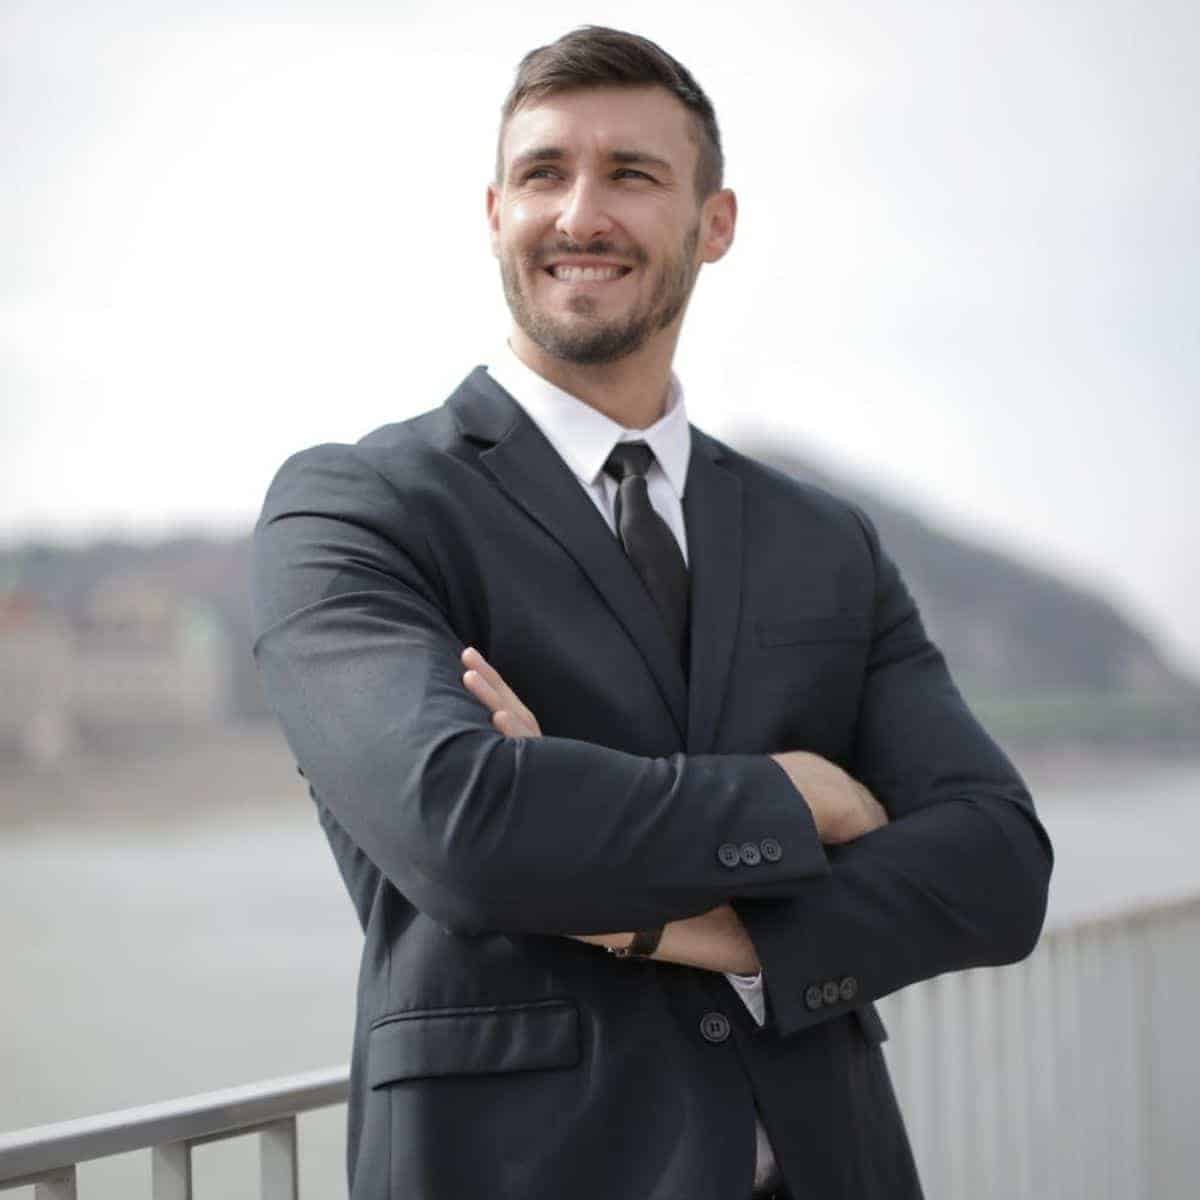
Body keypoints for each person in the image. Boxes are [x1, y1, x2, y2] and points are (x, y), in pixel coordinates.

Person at [252, 25, 1053, 1200]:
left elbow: (997, 865)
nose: (581, 214)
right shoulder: (358, 506)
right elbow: (463, 826)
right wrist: (794, 797)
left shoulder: (824, 539)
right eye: (543, 174)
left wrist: (673, 923)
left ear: (712, 222)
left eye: (632, 174)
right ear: (493, 212)